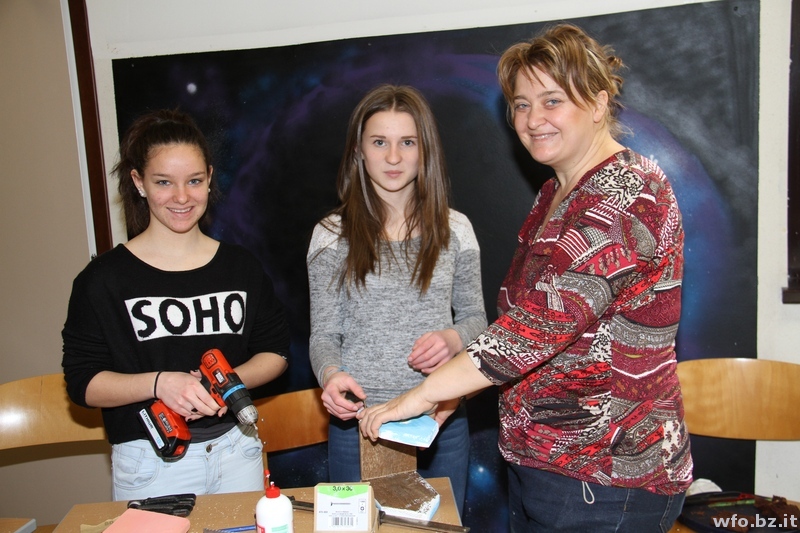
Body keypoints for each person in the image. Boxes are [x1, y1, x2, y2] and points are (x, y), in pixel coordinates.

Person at [358, 25, 693, 532]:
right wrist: (454, 394)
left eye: (552, 100)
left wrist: (425, 393)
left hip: (606, 478)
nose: (533, 120)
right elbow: (521, 327)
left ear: (598, 103)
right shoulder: (554, 195)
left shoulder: (629, 192)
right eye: (520, 104)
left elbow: (540, 326)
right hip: (542, 465)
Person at [62, 109, 290, 500]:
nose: (182, 197)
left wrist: (221, 385)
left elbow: (276, 354)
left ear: (210, 178)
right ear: (139, 182)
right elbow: (83, 383)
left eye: (194, 181)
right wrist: (160, 384)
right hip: (152, 461)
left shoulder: (241, 267)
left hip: (238, 451)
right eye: (164, 182)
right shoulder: (102, 279)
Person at [307, 84, 487, 514]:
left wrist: (453, 338)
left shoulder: (456, 229)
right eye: (379, 142)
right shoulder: (330, 235)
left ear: (425, 151)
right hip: (359, 424)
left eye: (407, 142)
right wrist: (330, 375)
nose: (393, 157)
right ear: (358, 151)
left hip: (440, 418)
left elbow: (477, 318)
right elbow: (324, 334)